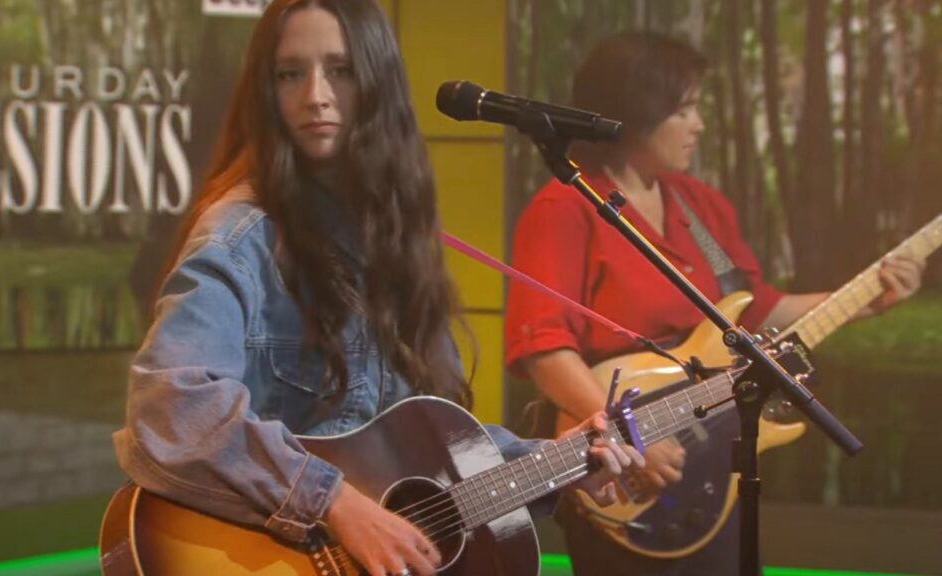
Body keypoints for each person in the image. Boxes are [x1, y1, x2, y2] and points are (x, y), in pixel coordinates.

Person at [111, 2, 643, 576]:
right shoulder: (242, 235)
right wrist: (335, 503)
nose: (315, 94)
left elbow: (430, 444)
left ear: (377, 84)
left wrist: (564, 463)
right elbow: (171, 403)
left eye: (339, 70)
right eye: (291, 73)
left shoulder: (395, 243)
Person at [504, 31, 926, 576]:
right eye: (684, 108)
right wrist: (627, 433)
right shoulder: (564, 208)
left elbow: (753, 311)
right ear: (636, 111)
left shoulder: (698, 207)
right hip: (619, 464)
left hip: (710, 456)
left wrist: (871, 296)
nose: (698, 124)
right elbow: (545, 349)